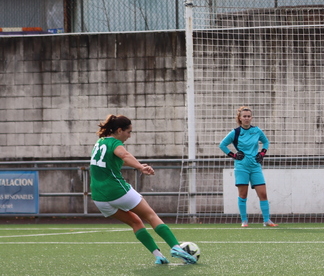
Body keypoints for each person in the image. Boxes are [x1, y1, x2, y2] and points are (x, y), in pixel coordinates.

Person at [89, 114, 198, 265]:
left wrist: (137, 165)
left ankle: (159, 256)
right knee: (151, 215)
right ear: (119, 130)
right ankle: (176, 247)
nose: (129, 136)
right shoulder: (115, 143)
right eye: (128, 132)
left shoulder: (100, 142)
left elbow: (116, 160)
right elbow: (124, 155)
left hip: (98, 198)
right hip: (116, 191)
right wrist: (140, 167)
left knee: (135, 222)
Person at [219, 106, 276, 227]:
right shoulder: (235, 132)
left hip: (255, 166)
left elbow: (266, 142)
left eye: (249, 116)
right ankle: (244, 221)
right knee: (243, 195)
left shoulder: (257, 130)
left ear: (251, 118)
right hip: (241, 167)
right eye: (244, 116)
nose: (246, 118)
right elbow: (222, 145)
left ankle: (267, 220)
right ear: (240, 118)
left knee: (263, 194)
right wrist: (234, 155)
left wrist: (262, 153)